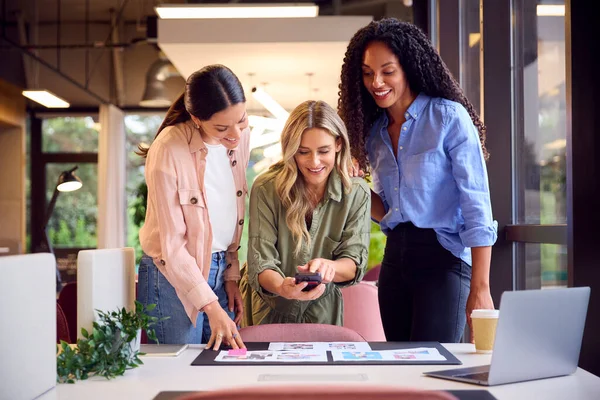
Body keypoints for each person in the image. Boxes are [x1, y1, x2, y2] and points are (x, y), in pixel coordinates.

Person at [338, 18, 497, 343]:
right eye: (367, 73)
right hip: (395, 262)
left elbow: (477, 208)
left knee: (435, 369)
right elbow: (392, 210)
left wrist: (481, 288)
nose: (376, 82)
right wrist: (354, 185)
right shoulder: (375, 134)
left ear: (408, 67)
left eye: (387, 71)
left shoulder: (448, 118)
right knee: (399, 370)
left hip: (444, 262)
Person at [137, 64, 249, 350]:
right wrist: (211, 306)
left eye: (242, 120)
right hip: (170, 278)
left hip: (219, 269)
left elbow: (227, 219)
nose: (235, 135)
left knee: (223, 373)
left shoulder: (238, 140)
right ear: (196, 118)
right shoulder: (168, 149)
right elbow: (172, 247)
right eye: (222, 128)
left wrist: (231, 275)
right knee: (180, 377)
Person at [245, 100, 371, 325]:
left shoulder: (355, 191)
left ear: (338, 144)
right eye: (303, 152)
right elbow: (260, 262)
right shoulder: (266, 188)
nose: (314, 162)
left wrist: (330, 267)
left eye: (323, 151)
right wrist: (282, 287)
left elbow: (354, 262)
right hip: (269, 311)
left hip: (323, 312)